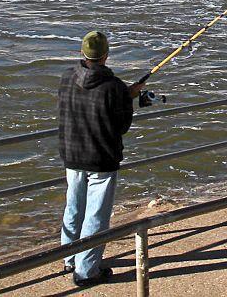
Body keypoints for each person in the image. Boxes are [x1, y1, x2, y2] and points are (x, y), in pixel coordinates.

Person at [58, 31, 143, 287]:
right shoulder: (114, 87)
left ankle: (69, 258)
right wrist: (128, 99)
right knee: (96, 216)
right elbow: (122, 125)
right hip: (101, 160)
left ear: (82, 54)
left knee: (73, 208)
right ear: (106, 55)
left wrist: (122, 96)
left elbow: (83, 104)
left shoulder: (66, 78)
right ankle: (86, 272)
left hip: (72, 155)